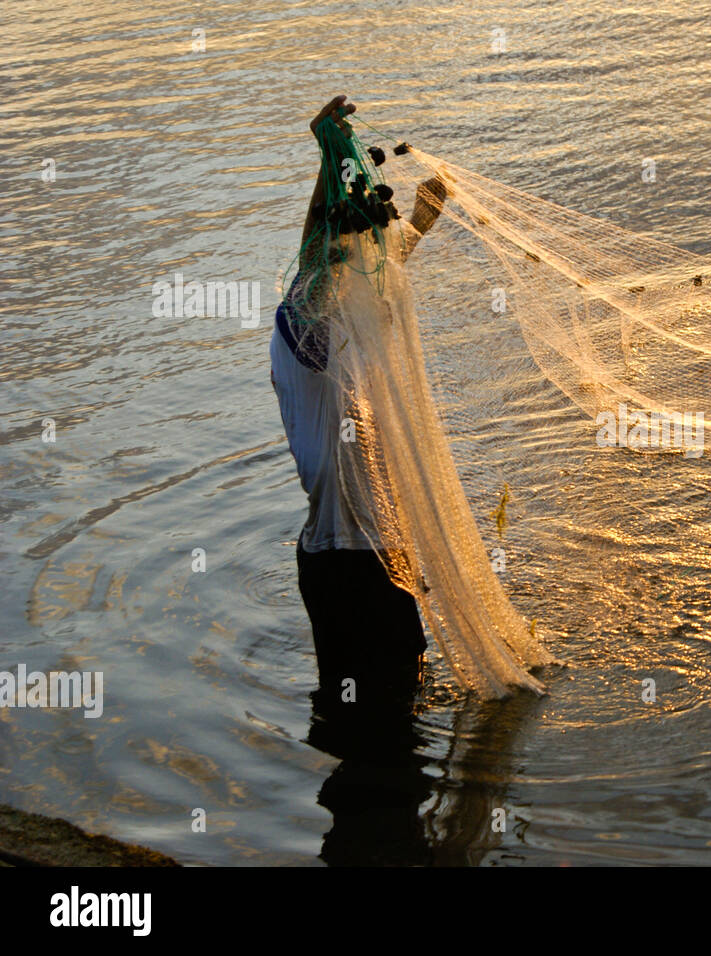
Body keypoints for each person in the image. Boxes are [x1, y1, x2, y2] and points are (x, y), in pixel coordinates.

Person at [270, 94, 447, 720]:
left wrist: (423, 217)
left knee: (397, 697)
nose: (366, 260)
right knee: (366, 711)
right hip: (346, 565)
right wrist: (327, 149)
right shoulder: (306, 323)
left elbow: (383, 257)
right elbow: (321, 241)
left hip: (379, 557)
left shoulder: (351, 320)